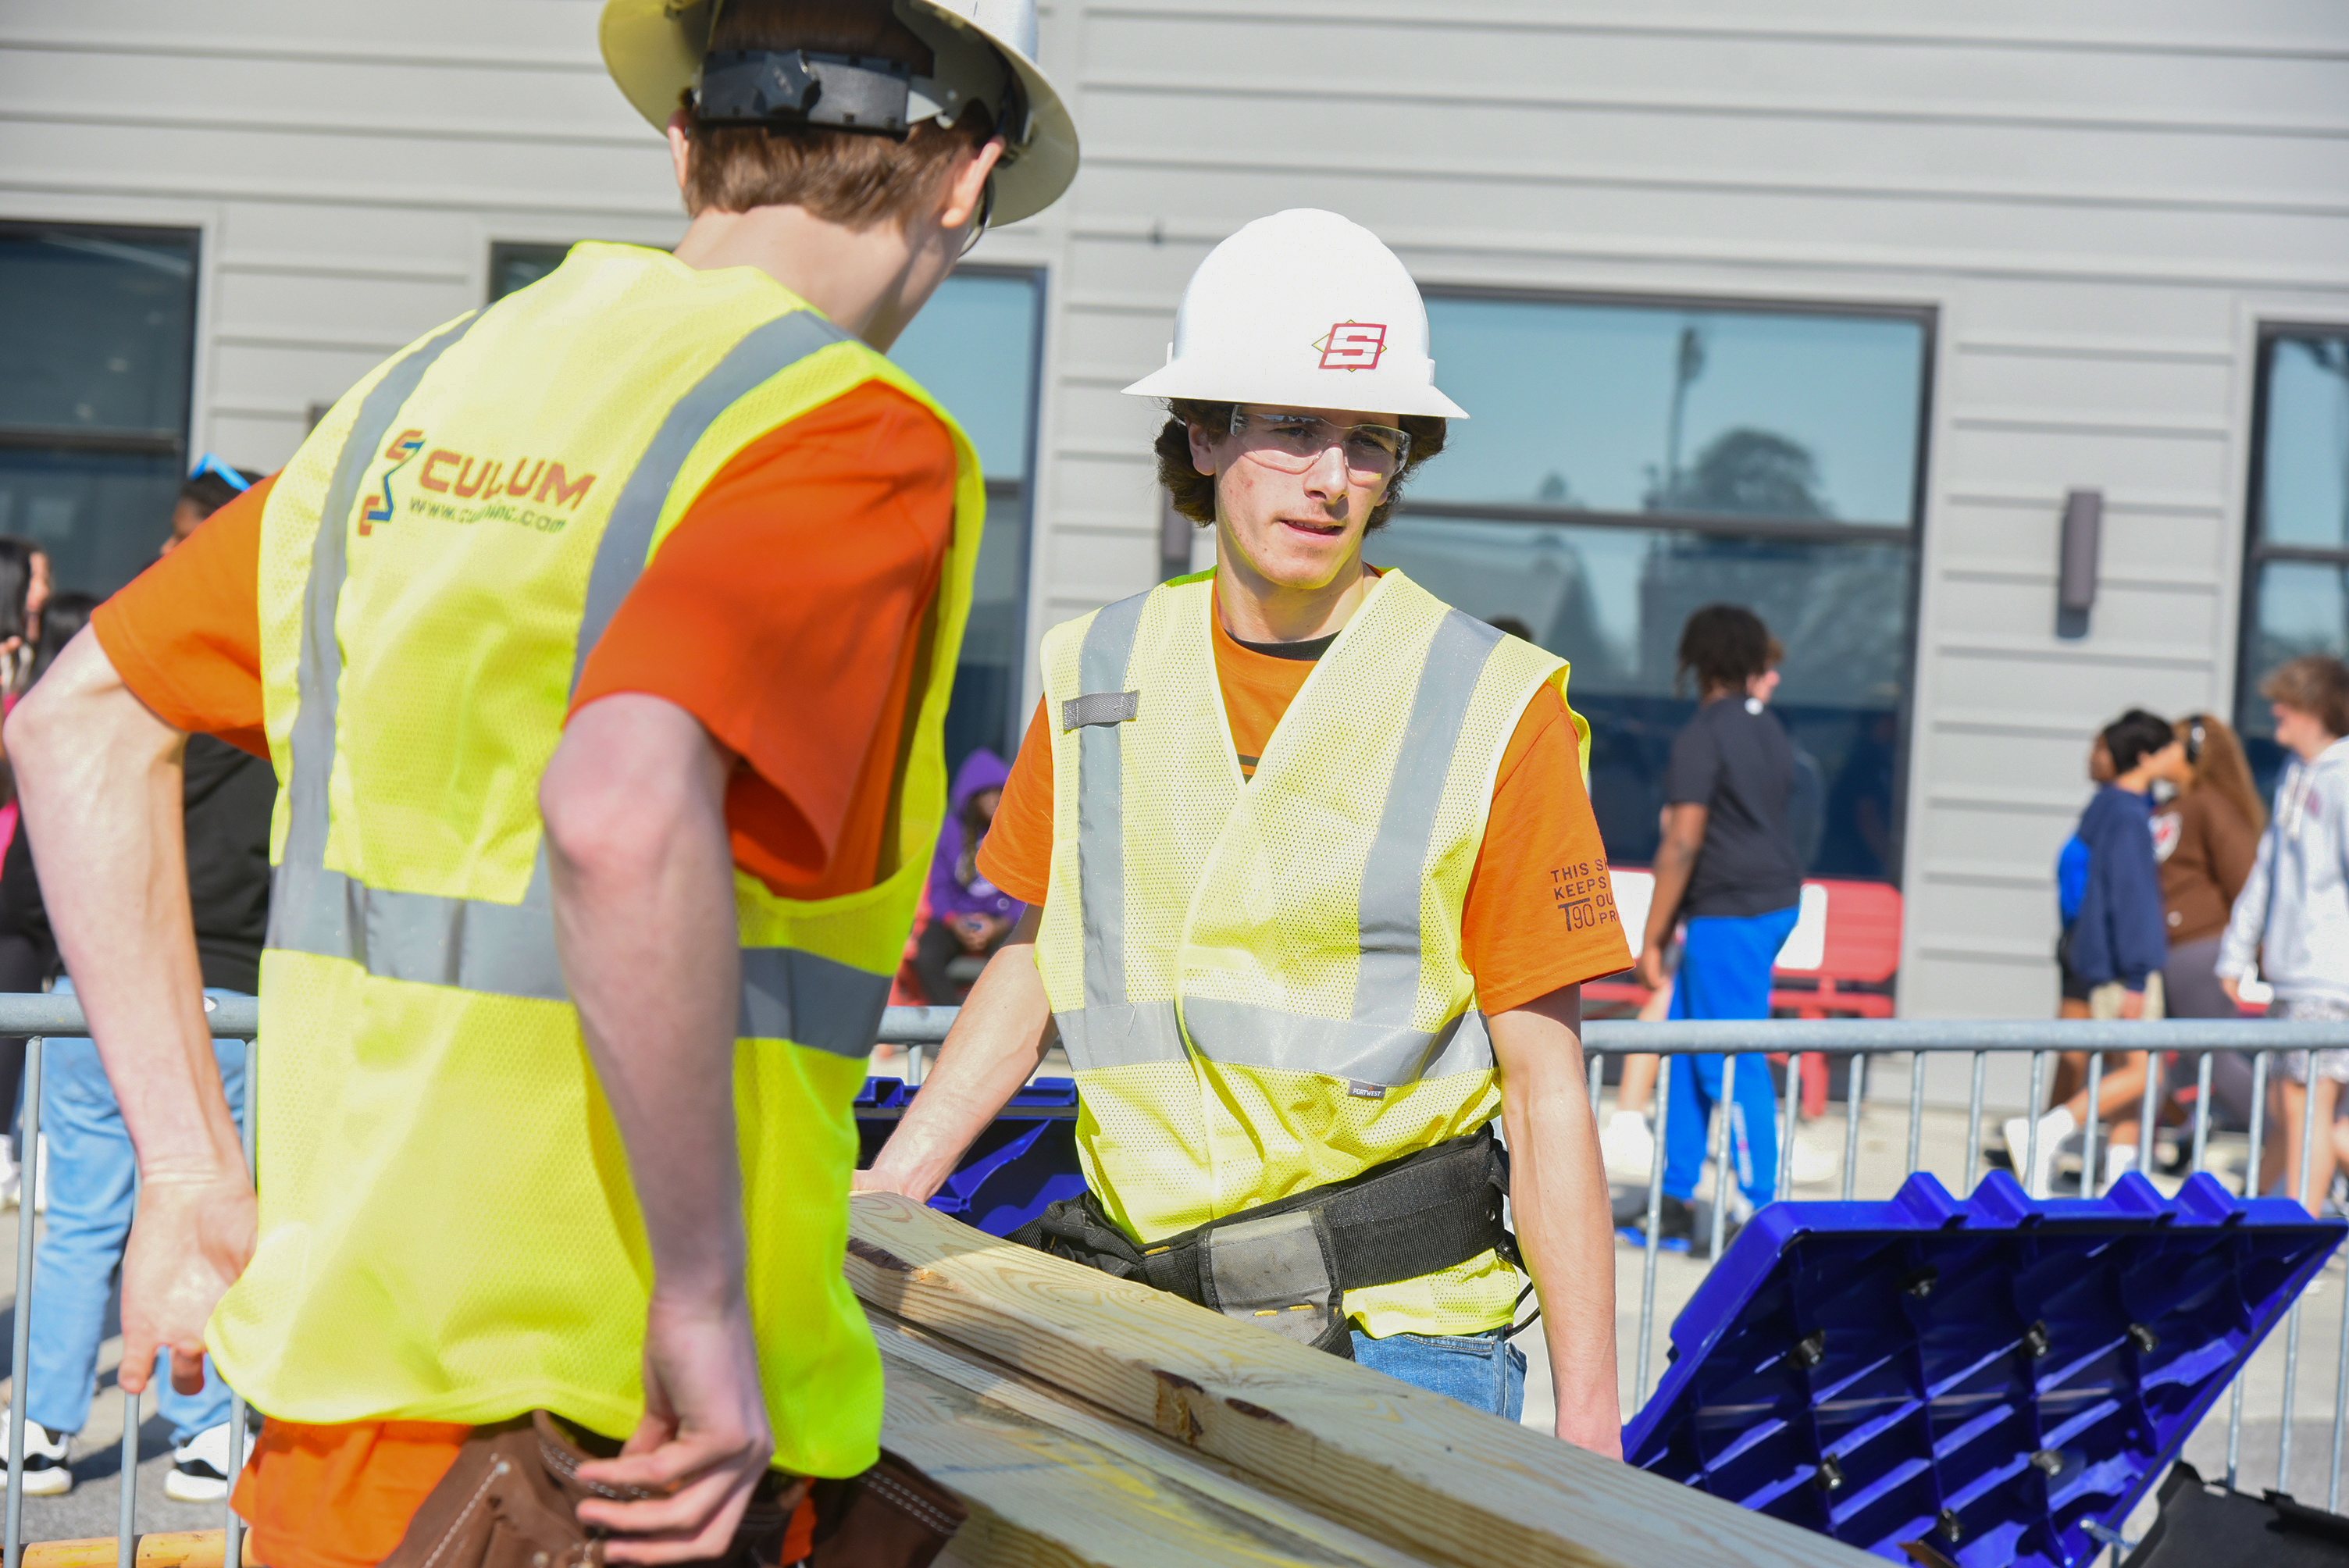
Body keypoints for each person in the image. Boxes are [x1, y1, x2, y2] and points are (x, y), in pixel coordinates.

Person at [4, 1, 1077, 1561]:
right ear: (965, 177)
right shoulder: (850, 432)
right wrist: (700, 1308)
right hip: (618, 1454)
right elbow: (620, 809)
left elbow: (75, 723)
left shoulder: (415, 403)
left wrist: (185, 1170)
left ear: (682, 140)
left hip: (343, 1434)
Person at [861, 208, 1630, 1452]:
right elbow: (1041, 952)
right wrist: (906, 1171)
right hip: (1144, 1309)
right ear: (1206, 437)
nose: (1330, 479)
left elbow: (1546, 1087)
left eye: (1369, 443)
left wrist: (1591, 1425)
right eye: (1290, 429)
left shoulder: (1495, 703)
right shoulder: (1097, 669)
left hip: (1403, 1336)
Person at [1629, 605, 1803, 1248]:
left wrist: (1651, 936)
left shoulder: (1702, 735)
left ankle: (1761, 1214)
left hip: (1732, 911)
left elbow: (1682, 841)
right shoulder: (1769, 731)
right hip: (1762, 901)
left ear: (1696, 658)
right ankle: (1674, 1201)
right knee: (1687, 1049)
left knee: (1727, 1061)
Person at [2009, 709, 2179, 1197]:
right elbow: (2132, 900)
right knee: (2144, 1073)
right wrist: (2138, 975)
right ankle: (2049, 1129)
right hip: (2123, 965)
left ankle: (2120, 1179)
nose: (2177, 757)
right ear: (2147, 756)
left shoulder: (2105, 806)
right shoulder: (2128, 815)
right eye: (2168, 748)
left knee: (2114, 1066)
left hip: (2095, 957)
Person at [2217, 655, 2349, 1217]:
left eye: (2288, 704)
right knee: (2287, 1105)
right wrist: (2236, 952)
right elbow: (2267, 870)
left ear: (2316, 709)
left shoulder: (2342, 779)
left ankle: (2299, 1235)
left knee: (2305, 1106)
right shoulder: (2298, 775)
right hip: (2293, 974)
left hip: (2330, 974)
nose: (2276, 713)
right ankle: (2254, 1219)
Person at [2152, 712, 2266, 1128]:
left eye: (2170, 744)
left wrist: (2254, 949)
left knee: (2215, 1054)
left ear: (2193, 752)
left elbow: (2245, 879)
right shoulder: (2170, 806)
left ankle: (2285, 1142)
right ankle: (2184, 1132)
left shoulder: (2211, 806)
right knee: (2178, 1060)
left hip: (2200, 947)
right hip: (2168, 949)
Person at [912, 749, 1021, 1004]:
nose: (996, 800)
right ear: (971, 797)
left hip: (1001, 921)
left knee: (1014, 958)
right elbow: (938, 890)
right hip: (956, 921)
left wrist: (999, 925)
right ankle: (952, 1025)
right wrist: (955, 922)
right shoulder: (950, 831)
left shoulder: (1017, 831)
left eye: (1001, 792)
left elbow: (1026, 891)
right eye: (989, 793)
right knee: (926, 955)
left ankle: (995, 1023)